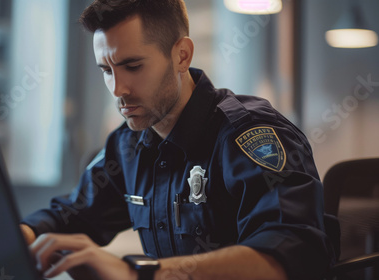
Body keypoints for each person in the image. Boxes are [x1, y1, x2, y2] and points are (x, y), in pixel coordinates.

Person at [20, 0, 338, 279]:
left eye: (133, 66)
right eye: (106, 69)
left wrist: (140, 273)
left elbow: (295, 253)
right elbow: (74, 212)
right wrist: (24, 233)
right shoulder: (127, 145)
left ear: (182, 56)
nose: (117, 89)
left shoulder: (248, 133)